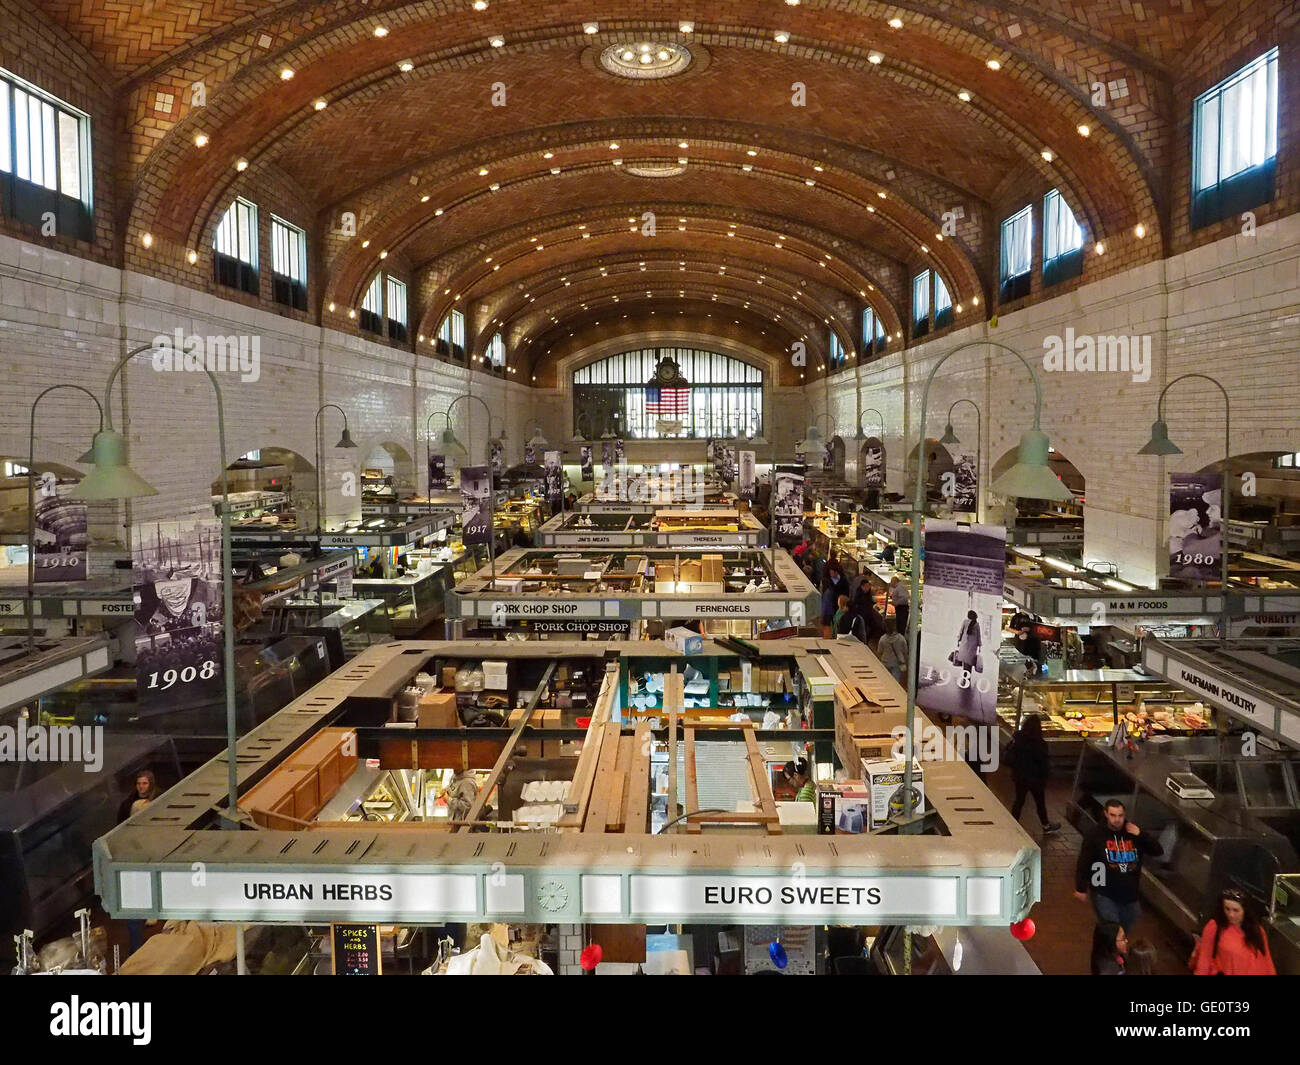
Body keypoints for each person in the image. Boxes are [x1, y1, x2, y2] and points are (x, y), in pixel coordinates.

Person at [1073, 799, 1163, 933]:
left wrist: (1141, 835)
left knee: (1123, 931)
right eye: (1113, 815)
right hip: (1104, 893)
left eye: (1120, 816)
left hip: (1130, 895)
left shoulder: (1133, 833)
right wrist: (1081, 887)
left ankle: (1113, 949)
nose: (1117, 819)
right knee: (1113, 931)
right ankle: (1110, 950)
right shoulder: (1095, 835)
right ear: (1106, 814)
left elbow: (1158, 851)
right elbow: (1084, 861)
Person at [1189, 888, 1276, 975]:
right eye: (1227, 909)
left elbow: (1267, 960)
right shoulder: (1214, 927)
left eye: (1236, 910)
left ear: (1245, 910)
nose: (1231, 914)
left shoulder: (1257, 930)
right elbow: (1204, 960)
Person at [1006, 716, 1061, 833]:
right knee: (1040, 803)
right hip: (1035, 779)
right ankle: (1046, 825)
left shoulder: (1017, 738)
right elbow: (1043, 763)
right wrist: (1046, 776)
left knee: (1019, 801)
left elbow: (1011, 755)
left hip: (1020, 777)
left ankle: (1012, 824)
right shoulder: (1040, 744)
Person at [950, 609, 982, 681]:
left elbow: (961, 632)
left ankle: (965, 675)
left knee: (965, 661)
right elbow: (979, 636)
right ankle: (968, 676)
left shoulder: (965, 622)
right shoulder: (976, 624)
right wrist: (979, 646)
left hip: (964, 644)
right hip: (973, 646)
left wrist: (958, 641)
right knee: (970, 662)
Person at [877, 617, 909, 684]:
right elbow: (905, 652)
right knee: (895, 682)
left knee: (884, 681)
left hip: (885, 662)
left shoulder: (882, 639)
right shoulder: (901, 638)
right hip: (897, 663)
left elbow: (879, 651)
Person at [821, 561, 849, 636]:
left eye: (832, 572)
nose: (830, 574)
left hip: (840, 606)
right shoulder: (827, 581)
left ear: (836, 572)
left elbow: (846, 594)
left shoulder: (844, 581)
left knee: (838, 622)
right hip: (830, 606)